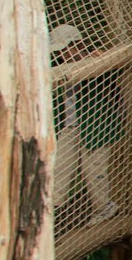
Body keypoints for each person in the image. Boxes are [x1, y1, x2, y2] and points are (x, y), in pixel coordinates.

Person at [50, 23, 123, 223]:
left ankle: (104, 208)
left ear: (78, 44)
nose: (64, 54)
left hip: (94, 126)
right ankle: (52, 210)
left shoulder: (96, 61)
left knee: (94, 168)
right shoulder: (60, 69)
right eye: (60, 51)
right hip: (70, 125)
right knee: (60, 167)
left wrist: (101, 58)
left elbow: (115, 76)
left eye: (66, 49)